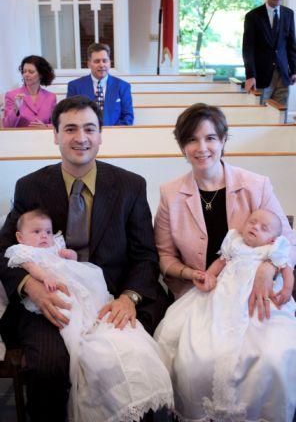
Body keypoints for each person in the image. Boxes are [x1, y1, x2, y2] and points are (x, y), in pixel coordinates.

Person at [0, 95, 169, 422]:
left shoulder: (130, 185)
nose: (81, 138)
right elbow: (4, 247)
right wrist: (30, 286)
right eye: (71, 129)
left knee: (129, 362)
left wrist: (129, 297)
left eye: (90, 129)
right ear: (55, 134)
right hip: (52, 300)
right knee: (49, 367)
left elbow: (145, 256)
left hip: (110, 299)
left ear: (101, 135)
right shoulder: (30, 186)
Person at [154, 102, 296, 420]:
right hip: (202, 296)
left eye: (210, 138)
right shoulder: (170, 194)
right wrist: (192, 273)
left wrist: (267, 268)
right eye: (191, 140)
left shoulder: (256, 185)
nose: (201, 148)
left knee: (272, 357)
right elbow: (163, 255)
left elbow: (290, 243)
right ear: (181, 146)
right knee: (196, 362)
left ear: (223, 140)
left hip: (256, 295)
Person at [5, 209, 173, 422]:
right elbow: (24, 265)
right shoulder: (24, 251)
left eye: (47, 231)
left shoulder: (131, 185)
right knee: (50, 362)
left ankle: (134, 406)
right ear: (20, 237)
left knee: (129, 344)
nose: (44, 236)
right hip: (51, 293)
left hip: (84, 284)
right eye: (37, 231)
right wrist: (35, 281)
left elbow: (145, 256)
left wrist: (70, 256)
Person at [155, 208, 296, 421]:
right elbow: (221, 263)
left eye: (263, 227)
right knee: (188, 333)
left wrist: (286, 290)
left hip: (255, 300)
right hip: (222, 295)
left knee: (262, 345)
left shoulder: (274, 249)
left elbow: (286, 270)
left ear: (272, 238)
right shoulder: (234, 241)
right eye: (252, 222)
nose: (255, 227)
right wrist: (209, 276)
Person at [242, 0, 296, 108]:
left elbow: (291, 45)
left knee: (279, 113)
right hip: (261, 75)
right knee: (260, 112)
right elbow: (248, 49)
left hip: (283, 75)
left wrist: (294, 70)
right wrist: (250, 75)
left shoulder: (289, 14)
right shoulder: (253, 16)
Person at [67, 43, 134, 126]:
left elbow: (128, 117)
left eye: (105, 61)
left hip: (115, 135)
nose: (102, 65)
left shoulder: (123, 86)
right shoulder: (75, 86)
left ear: (109, 62)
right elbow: (70, 116)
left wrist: (114, 133)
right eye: (97, 61)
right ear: (89, 64)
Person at [3, 55, 56, 128]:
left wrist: (46, 127)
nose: (26, 75)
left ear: (41, 74)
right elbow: (7, 126)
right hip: (20, 138)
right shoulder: (12, 95)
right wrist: (16, 109)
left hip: (43, 137)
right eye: (24, 71)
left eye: (31, 72)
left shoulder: (51, 97)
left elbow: (56, 125)